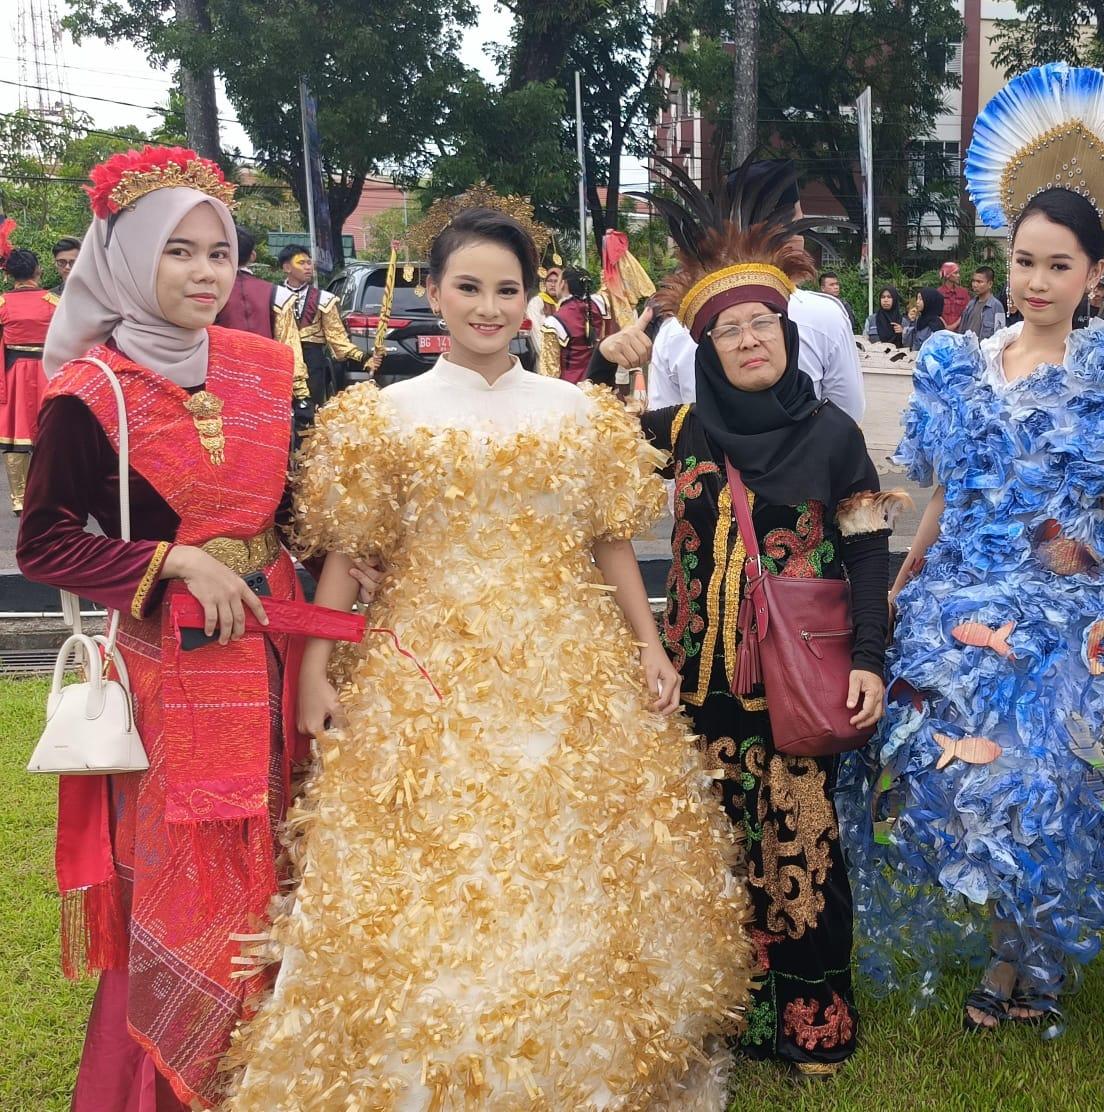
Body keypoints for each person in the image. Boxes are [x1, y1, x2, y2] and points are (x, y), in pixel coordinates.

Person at [220, 204, 753, 1108]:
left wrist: (650, 644)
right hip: (422, 672)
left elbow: (610, 541)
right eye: (467, 286)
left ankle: (581, 1061)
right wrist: (313, 669)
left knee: (577, 860)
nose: (488, 306)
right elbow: (347, 558)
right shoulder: (382, 416)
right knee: (424, 867)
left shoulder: (578, 412)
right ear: (432, 293)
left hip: (568, 672)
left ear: (532, 298)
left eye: (508, 289)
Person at [840, 64, 1104, 1036]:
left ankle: (1037, 954)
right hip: (969, 605)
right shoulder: (961, 362)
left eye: (1058, 265)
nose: (1036, 281)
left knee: (1059, 785)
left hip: (1076, 623)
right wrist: (907, 581)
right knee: (975, 785)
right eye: (1024, 261)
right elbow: (947, 492)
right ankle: (1008, 944)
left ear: (1095, 273)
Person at [19, 145, 309, 1110]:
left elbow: (297, 507)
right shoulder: (88, 394)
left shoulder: (266, 367)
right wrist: (171, 559)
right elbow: (47, 544)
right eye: (178, 252)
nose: (203, 275)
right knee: (188, 878)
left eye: (219, 254)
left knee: (281, 852)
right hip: (166, 672)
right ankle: (168, 1084)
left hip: (273, 651)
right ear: (125, 256)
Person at [592, 160, 894, 1076]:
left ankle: (812, 1022)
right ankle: (719, 1012)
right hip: (692, 683)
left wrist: (871, 658)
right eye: (729, 329)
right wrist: (605, 373)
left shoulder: (834, 438)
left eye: (765, 321)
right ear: (707, 347)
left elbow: (869, 555)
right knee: (708, 845)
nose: (751, 339)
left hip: (794, 680)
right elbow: (569, 460)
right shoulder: (679, 431)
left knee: (800, 844)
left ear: (789, 334)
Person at [645, 158, 865, 421]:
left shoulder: (674, 331)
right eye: (798, 219)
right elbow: (848, 414)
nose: (749, 341)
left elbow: (664, 428)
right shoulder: (825, 317)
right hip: (810, 459)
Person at [218, 226, 310, 414]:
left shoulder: (208, 293)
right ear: (252, 256)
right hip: (268, 387)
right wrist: (301, 395)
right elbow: (290, 346)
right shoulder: (278, 295)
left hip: (220, 387)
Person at [273, 243, 375, 403]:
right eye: (301, 263)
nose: (308, 267)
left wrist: (363, 357)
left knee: (312, 412)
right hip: (280, 361)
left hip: (313, 362)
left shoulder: (324, 299)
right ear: (287, 268)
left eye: (309, 263)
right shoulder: (273, 297)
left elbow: (337, 337)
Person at [0, 246, 58, 512]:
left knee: (16, 435)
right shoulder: (53, 302)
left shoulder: (2, 303)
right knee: (52, 434)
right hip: (49, 372)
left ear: (9, 274)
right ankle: (52, 496)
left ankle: (20, 500)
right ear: (37, 269)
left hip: (14, 375)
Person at [539, 264, 611, 383]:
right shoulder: (599, 305)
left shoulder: (554, 323)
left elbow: (549, 373)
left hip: (571, 391)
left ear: (563, 284)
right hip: (599, 388)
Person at [958, 264, 1005, 339]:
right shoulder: (970, 304)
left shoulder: (997, 306)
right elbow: (962, 329)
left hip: (985, 349)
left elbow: (1000, 335)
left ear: (990, 284)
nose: (975, 285)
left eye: (979, 282)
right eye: (973, 281)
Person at [937, 260, 969, 329]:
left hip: (960, 331)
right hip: (942, 331)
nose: (958, 275)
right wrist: (945, 326)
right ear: (948, 275)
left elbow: (966, 312)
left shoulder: (964, 292)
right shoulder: (938, 292)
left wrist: (954, 326)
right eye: (955, 273)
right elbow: (935, 313)